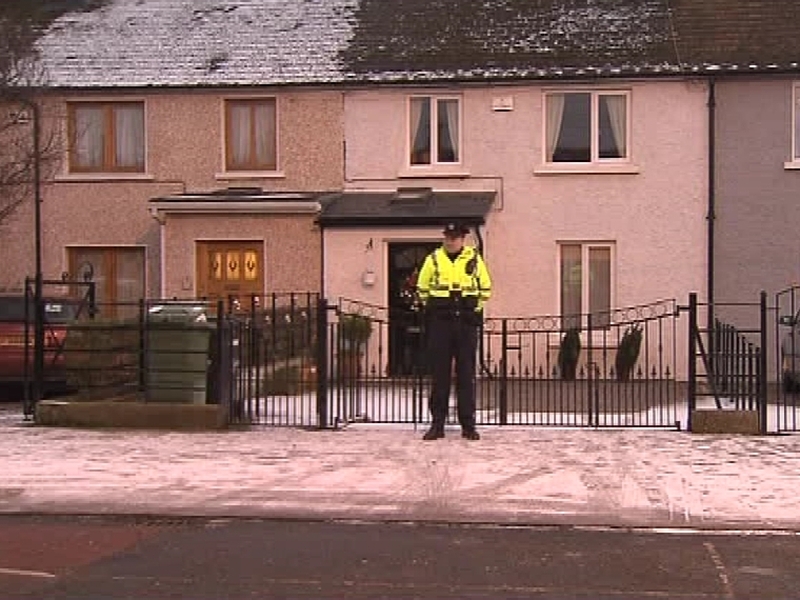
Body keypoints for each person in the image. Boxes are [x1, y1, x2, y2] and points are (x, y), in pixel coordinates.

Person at [416, 221, 492, 440]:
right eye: (448, 236)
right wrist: (434, 308)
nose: (451, 240)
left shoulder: (474, 259)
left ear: (463, 239)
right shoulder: (433, 259)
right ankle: (437, 425)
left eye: (455, 237)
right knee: (439, 375)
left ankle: (468, 425)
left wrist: (473, 309)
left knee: (466, 375)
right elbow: (423, 288)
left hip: (465, 322)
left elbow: (485, 288)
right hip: (441, 322)